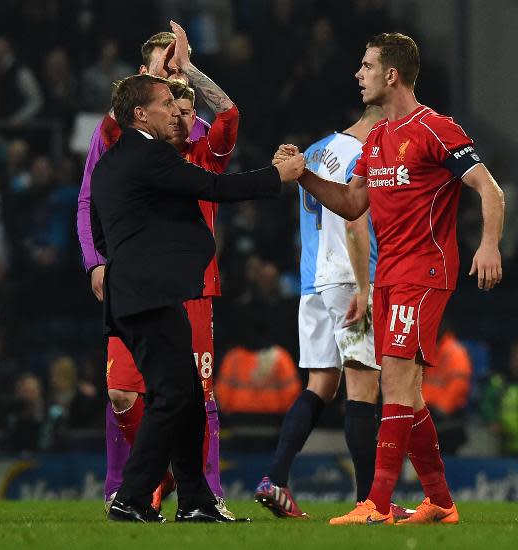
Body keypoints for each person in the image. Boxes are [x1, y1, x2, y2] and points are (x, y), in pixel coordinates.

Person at [275, 32, 504, 525]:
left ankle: (375, 504)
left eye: (367, 66)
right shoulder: (376, 139)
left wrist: (488, 244)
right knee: (412, 394)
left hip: (425, 271)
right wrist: (304, 178)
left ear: (391, 74)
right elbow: (352, 203)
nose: (359, 75)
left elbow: (489, 189)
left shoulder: (436, 129)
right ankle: (440, 501)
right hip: (387, 276)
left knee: (396, 382)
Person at [91, 72, 304, 523]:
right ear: (140, 114)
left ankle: (195, 500)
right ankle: (131, 496)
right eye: (166, 103)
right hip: (149, 295)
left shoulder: (114, 162)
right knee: (171, 395)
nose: (176, 110)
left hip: (139, 293)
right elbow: (215, 189)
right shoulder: (149, 155)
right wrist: (277, 177)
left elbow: (97, 227)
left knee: (185, 394)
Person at [75, 24, 232, 515]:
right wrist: (95, 260)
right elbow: (88, 200)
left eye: (176, 67)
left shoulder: (200, 136)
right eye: (164, 70)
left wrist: (191, 71)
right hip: (136, 278)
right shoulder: (118, 137)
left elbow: (228, 117)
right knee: (124, 392)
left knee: (194, 394)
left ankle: (201, 494)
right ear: (145, 79)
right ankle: (135, 482)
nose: (173, 76)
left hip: (192, 283)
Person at [253, 106, 386, 519]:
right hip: (349, 275)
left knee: (322, 385)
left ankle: (275, 478)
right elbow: (355, 222)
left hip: (312, 279)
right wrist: (365, 286)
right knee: (363, 388)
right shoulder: (362, 154)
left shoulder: (313, 151)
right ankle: (369, 502)